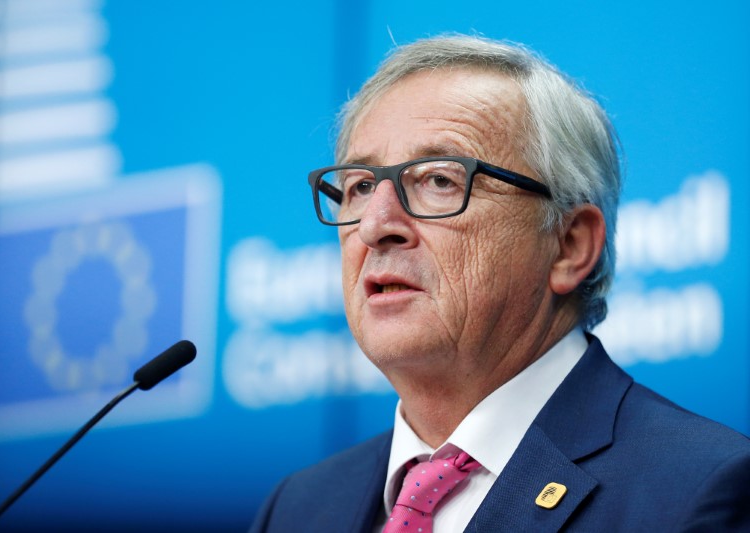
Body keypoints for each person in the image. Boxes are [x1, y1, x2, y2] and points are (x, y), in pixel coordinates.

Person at [249, 34, 750, 532]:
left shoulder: (699, 491)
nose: (376, 225)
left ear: (569, 245)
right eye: (359, 187)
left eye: (439, 179)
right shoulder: (297, 509)